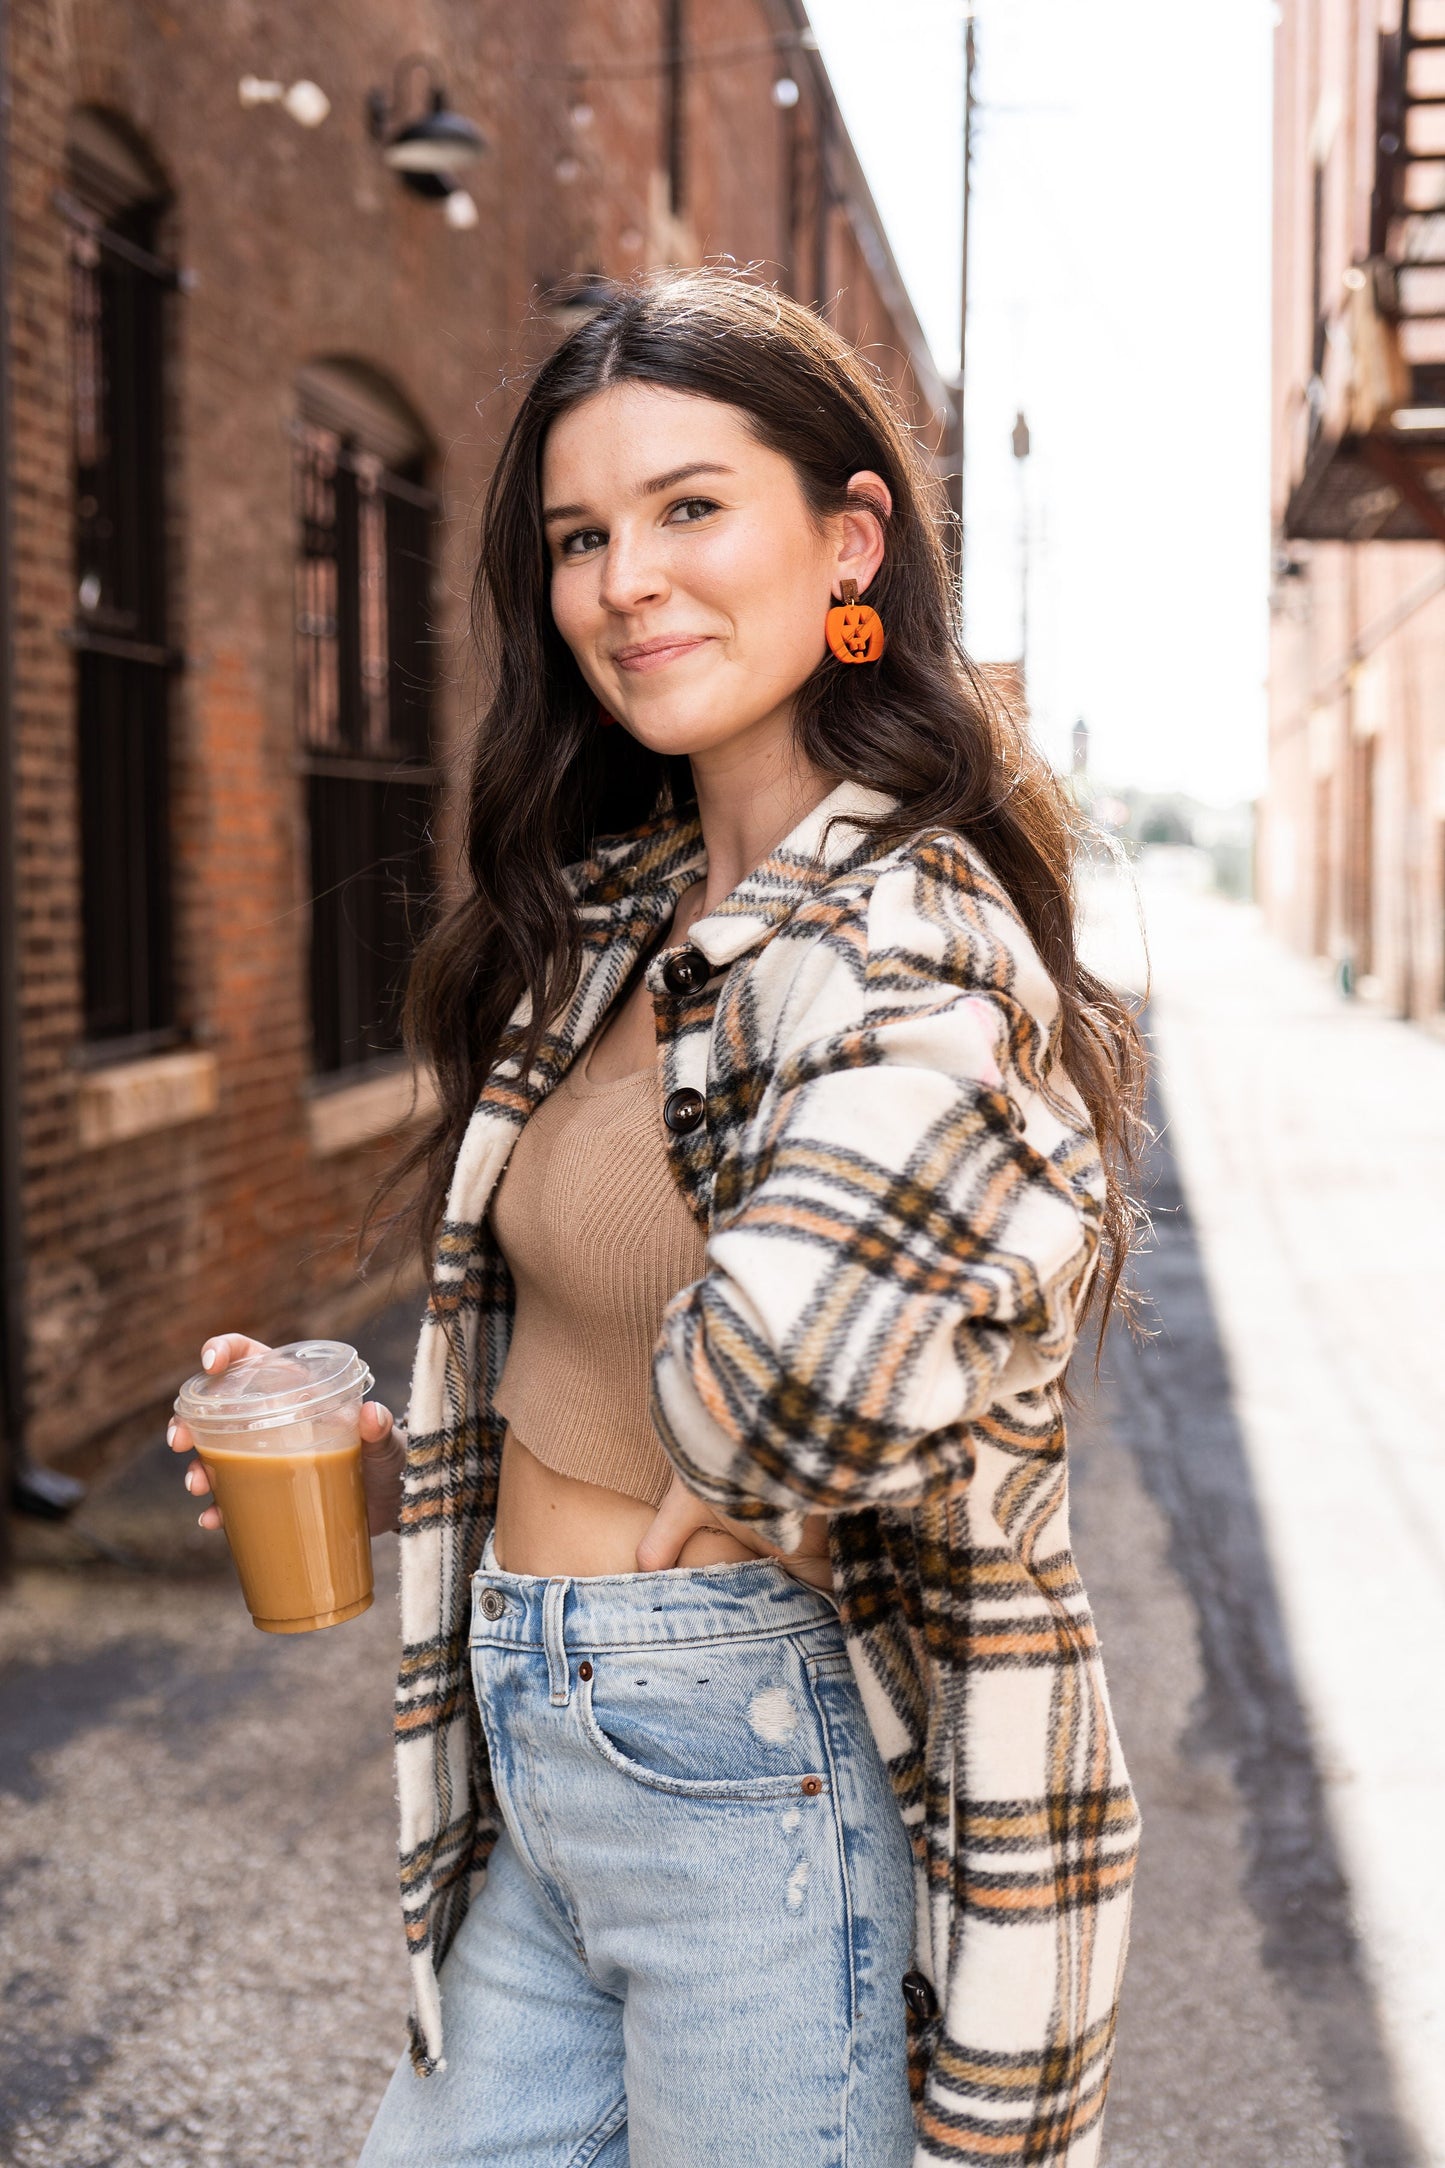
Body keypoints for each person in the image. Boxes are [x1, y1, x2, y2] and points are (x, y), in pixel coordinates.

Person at [170, 268, 1144, 2167]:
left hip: (747, 1763)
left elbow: (806, 1386)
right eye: (581, 536)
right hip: (544, 1741)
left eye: (692, 508)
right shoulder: (613, 919)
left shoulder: (907, 932)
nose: (628, 580)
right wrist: (401, 1477)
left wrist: (725, 1489)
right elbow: (608, 1353)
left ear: (846, 535)